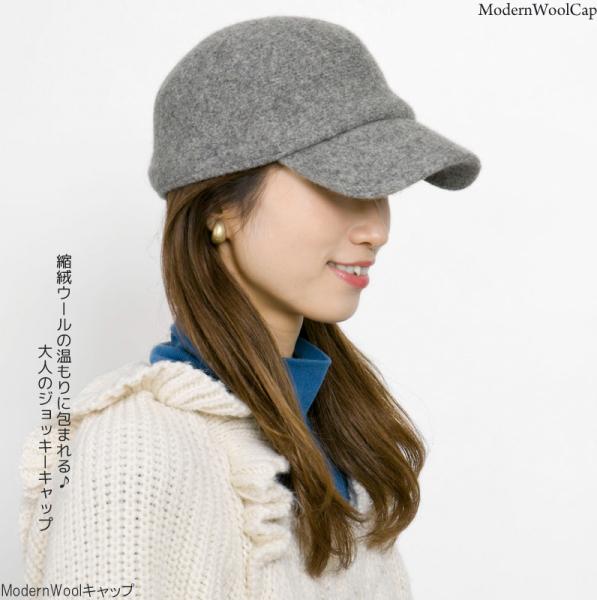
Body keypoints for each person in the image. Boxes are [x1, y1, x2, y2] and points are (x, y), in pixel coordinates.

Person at [18, 15, 481, 599]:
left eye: (381, 189)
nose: (377, 229)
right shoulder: (134, 450)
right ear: (221, 205)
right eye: (342, 184)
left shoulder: (337, 432)